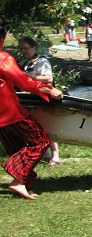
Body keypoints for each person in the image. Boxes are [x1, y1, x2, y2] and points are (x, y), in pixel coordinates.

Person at [0, 26, 63, 199]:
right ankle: (17, 181)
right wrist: (48, 90)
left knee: (16, 148)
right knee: (40, 142)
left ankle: (25, 186)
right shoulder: (3, 58)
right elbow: (24, 82)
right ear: (3, 38)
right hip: (9, 112)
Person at [18, 37, 61, 166]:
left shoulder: (42, 61)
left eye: (26, 48)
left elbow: (49, 78)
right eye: (22, 49)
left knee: (48, 127)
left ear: (34, 48)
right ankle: (46, 154)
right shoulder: (25, 63)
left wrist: (30, 77)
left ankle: (55, 156)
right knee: (36, 127)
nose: (24, 51)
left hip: (42, 98)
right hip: (30, 99)